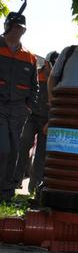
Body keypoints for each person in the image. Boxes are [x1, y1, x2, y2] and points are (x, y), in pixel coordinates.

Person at [0, 12, 37, 201]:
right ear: (7, 26)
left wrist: (28, 107)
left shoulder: (29, 57)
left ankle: (7, 192)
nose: (17, 31)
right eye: (14, 27)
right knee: (3, 147)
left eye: (20, 29)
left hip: (18, 110)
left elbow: (34, 86)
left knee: (15, 149)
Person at [12, 50, 56, 196]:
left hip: (47, 120)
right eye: (52, 65)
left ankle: (34, 187)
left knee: (41, 155)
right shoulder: (36, 74)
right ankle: (15, 180)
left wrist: (51, 121)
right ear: (46, 63)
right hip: (31, 117)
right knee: (23, 145)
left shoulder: (58, 79)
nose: (54, 68)